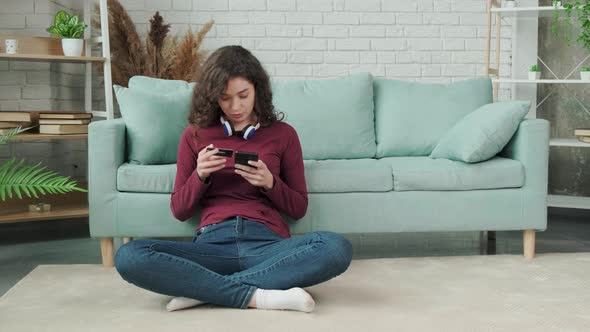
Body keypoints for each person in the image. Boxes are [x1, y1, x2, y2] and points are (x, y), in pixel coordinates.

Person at [114, 45, 353, 313]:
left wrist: (270, 183)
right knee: (129, 256)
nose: (235, 106)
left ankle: (206, 291)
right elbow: (179, 211)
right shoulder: (195, 135)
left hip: (268, 246)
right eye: (225, 98)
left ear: (257, 91)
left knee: (335, 247)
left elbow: (298, 208)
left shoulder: (284, 134)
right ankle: (260, 296)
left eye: (243, 95)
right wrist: (200, 175)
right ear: (213, 97)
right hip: (212, 246)